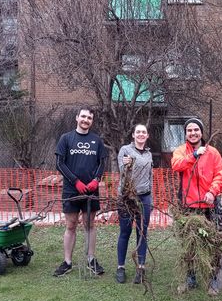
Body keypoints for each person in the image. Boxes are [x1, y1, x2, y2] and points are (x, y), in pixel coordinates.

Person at [171, 117, 222, 295]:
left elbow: (220, 174)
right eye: (189, 130)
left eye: (196, 130)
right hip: (188, 206)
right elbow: (176, 165)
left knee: (211, 243)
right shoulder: (180, 151)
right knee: (189, 243)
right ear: (186, 133)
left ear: (201, 132)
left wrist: (212, 191)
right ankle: (190, 277)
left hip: (209, 206)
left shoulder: (213, 153)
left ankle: (212, 280)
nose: (193, 133)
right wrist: (194, 155)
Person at [53, 107, 108, 277]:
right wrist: (75, 181)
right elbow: (59, 163)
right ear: (77, 118)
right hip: (71, 190)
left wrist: (95, 180)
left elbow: (102, 163)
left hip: (91, 190)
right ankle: (67, 262)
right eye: (83, 116)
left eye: (89, 118)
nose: (86, 120)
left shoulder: (97, 141)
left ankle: (91, 259)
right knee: (71, 225)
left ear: (92, 121)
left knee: (90, 224)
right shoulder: (66, 138)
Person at [116, 124, 153, 284]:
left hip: (144, 198)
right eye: (138, 132)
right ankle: (121, 267)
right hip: (127, 198)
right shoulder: (125, 150)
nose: (141, 134)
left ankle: (141, 268)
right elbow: (122, 169)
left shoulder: (149, 154)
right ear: (133, 135)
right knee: (125, 232)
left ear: (147, 135)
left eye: (143, 132)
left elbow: (150, 176)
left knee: (142, 233)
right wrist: (128, 164)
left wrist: (150, 196)